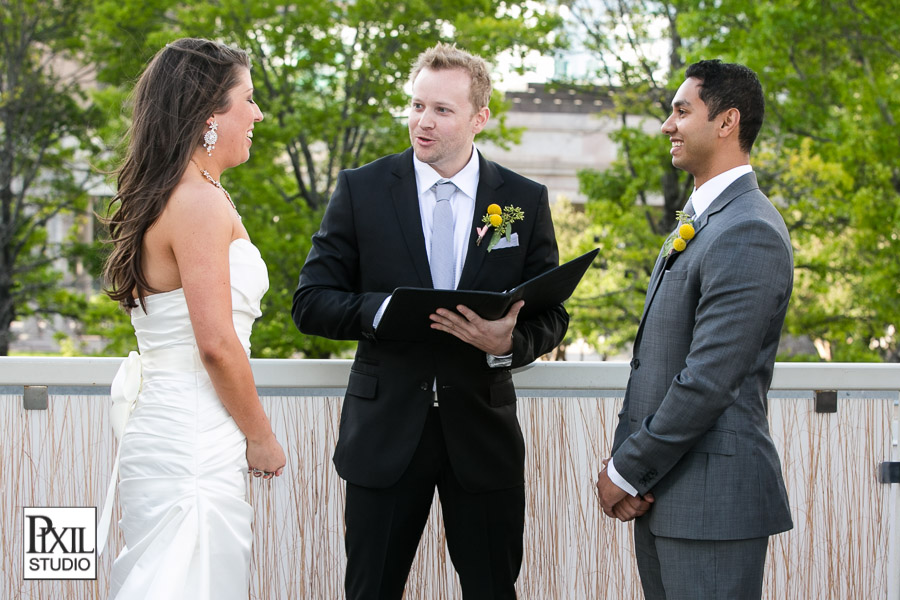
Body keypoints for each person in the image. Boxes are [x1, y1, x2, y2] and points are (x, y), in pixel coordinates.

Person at [292, 42, 568, 599]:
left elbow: (553, 312)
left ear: (479, 118)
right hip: (385, 434)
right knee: (371, 591)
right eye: (417, 106)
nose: (423, 121)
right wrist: (384, 310)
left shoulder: (521, 200)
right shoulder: (362, 189)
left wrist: (508, 342)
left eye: (442, 110)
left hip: (482, 437)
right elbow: (311, 301)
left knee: (492, 590)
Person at [595, 59, 794, 599]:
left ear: (727, 122)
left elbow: (707, 379)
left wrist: (627, 468)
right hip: (667, 496)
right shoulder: (702, 219)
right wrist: (629, 468)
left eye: (682, 111)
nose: (668, 125)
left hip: (713, 506)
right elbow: (652, 363)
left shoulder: (748, 229)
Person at [101, 38, 286, 599]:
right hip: (193, 441)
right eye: (247, 100)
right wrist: (262, 438)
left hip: (173, 427)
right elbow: (216, 345)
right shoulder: (198, 203)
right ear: (209, 115)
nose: (257, 114)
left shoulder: (177, 194)